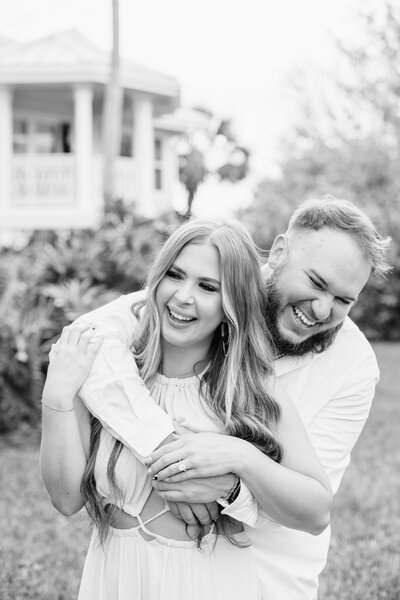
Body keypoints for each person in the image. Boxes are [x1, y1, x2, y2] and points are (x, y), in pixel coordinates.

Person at [71, 196, 391, 600]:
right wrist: (170, 453)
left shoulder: (354, 365)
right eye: (316, 282)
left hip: (274, 576)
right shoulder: (215, 284)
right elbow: (91, 335)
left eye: (344, 300)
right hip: (160, 563)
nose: (323, 308)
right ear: (278, 253)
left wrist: (235, 466)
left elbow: (309, 504)